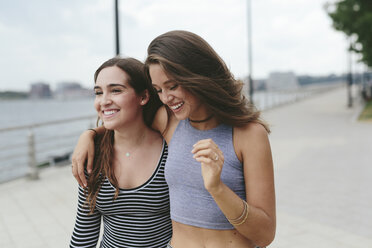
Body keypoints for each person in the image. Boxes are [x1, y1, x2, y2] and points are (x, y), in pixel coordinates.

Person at [72, 30, 276, 248]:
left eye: (173, 86)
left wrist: (217, 188)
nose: (166, 98)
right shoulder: (169, 121)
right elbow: (125, 121)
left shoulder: (249, 134)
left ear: (198, 76)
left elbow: (264, 236)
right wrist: (90, 135)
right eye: (158, 90)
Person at [70, 57, 172, 248]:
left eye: (116, 90)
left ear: (143, 97)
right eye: (98, 93)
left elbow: (189, 227)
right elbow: (84, 231)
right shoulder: (92, 155)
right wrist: (89, 134)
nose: (104, 101)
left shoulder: (170, 150)